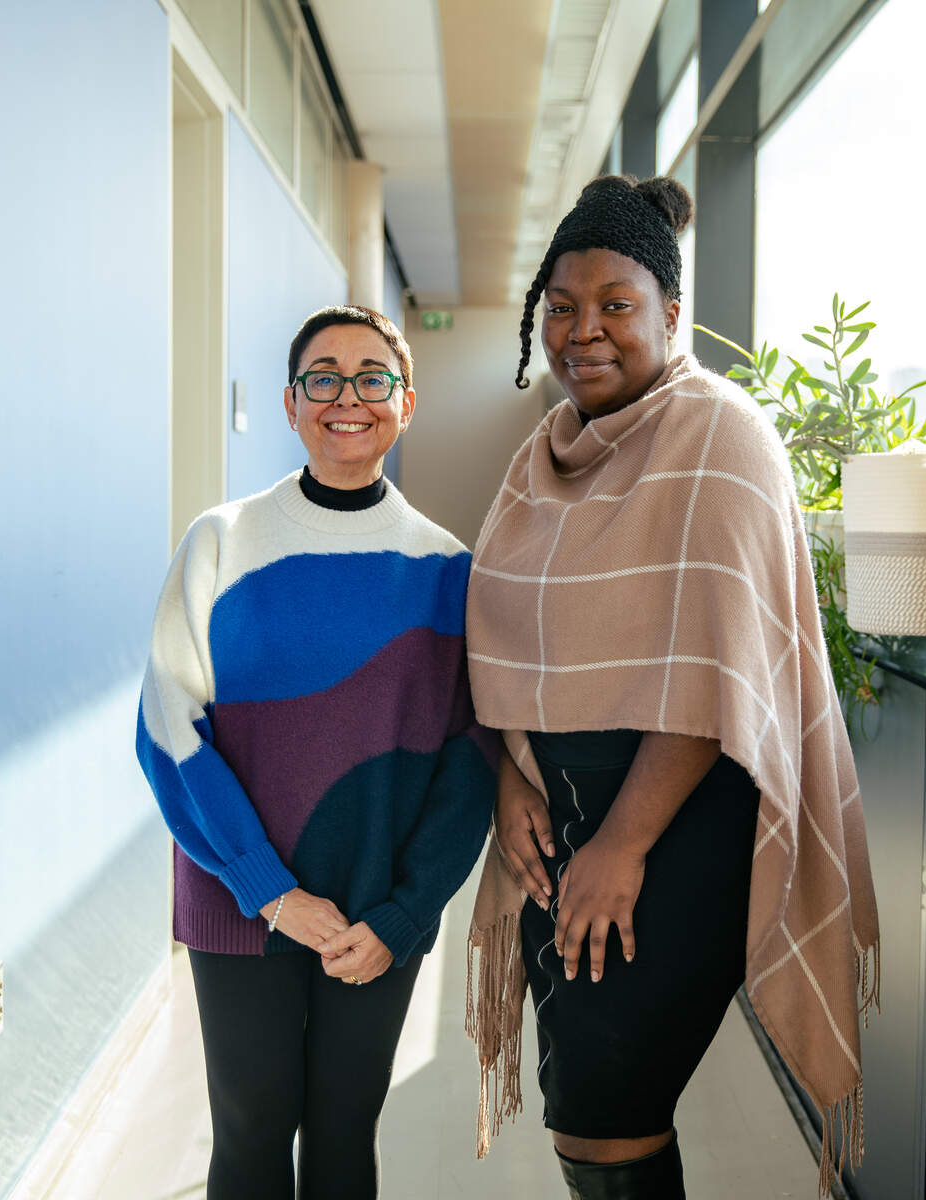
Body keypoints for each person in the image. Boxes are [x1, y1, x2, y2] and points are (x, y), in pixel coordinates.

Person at [464, 176, 880, 1199]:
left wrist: (622, 844)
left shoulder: (722, 439)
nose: (583, 331)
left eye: (617, 305)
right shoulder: (536, 462)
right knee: (588, 1117)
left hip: (678, 828)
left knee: (608, 1120)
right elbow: (493, 652)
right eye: (560, 307)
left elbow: (720, 673)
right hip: (557, 825)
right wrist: (507, 791)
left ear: (672, 315)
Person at [136, 304, 496, 1200]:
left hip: (379, 912)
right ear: (293, 405)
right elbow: (167, 726)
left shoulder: (447, 572)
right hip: (237, 897)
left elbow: (472, 766)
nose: (348, 395)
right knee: (253, 1129)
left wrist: (406, 916)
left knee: (344, 1131)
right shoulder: (220, 542)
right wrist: (269, 890)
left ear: (404, 403)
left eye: (372, 377)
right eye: (323, 377)